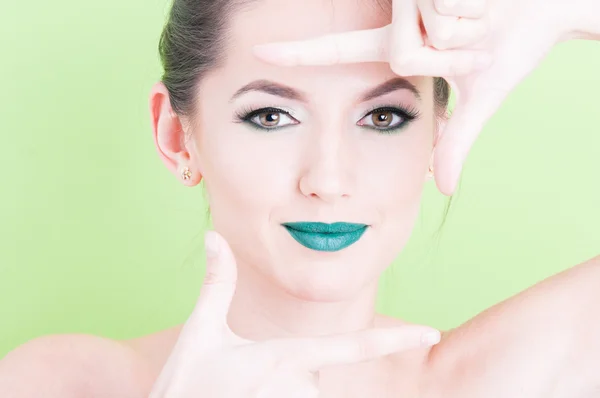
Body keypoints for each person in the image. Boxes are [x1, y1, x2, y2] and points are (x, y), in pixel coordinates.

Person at [0, 0, 598, 397]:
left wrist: (571, 9)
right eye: (270, 115)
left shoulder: (506, 376)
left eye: (384, 116)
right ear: (177, 135)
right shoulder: (61, 382)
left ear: (438, 134)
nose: (329, 177)